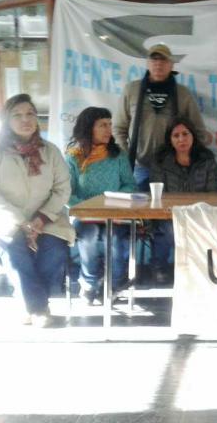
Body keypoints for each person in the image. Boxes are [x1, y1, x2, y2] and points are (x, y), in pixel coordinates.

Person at [0, 94, 74, 327]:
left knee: (55, 249)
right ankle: (39, 308)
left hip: (46, 218)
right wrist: (21, 221)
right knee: (14, 249)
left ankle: (29, 304)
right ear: (6, 120)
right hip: (2, 218)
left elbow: (62, 189)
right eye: (17, 115)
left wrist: (40, 219)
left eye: (30, 113)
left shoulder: (50, 151)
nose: (25, 119)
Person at [66, 106, 136, 304]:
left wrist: (110, 204)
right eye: (102, 125)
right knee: (89, 236)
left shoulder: (118, 155)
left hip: (116, 214)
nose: (108, 130)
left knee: (112, 237)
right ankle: (89, 283)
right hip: (85, 215)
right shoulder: (73, 157)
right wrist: (88, 210)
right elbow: (66, 193)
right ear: (89, 128)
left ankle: (115, 284)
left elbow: (130, 185)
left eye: (110, 125)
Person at [113, 44, 206, 190]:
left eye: (163, 60)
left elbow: (199, 132)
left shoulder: (183, 94)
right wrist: (125, 156)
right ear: (147, 63)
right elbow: (119, 128)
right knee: (138, 210)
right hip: (139, 166)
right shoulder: (131, 90)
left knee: (172, 210)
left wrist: (188, 159)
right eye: (154, 59)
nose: (158, 63)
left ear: (171, 65)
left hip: (174, 168)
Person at [149, 117, 217, 284]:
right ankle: (159, 267)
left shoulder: (206, 159)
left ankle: (197, 269)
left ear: (193, 136)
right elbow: (158, 195)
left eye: (185, 134)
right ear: (170, 140)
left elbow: (213, 193)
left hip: (200, 214)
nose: (181, 139)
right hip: (168, 215)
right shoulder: (160, 161)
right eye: (176, 135)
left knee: (199, 229)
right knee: (168, 229)